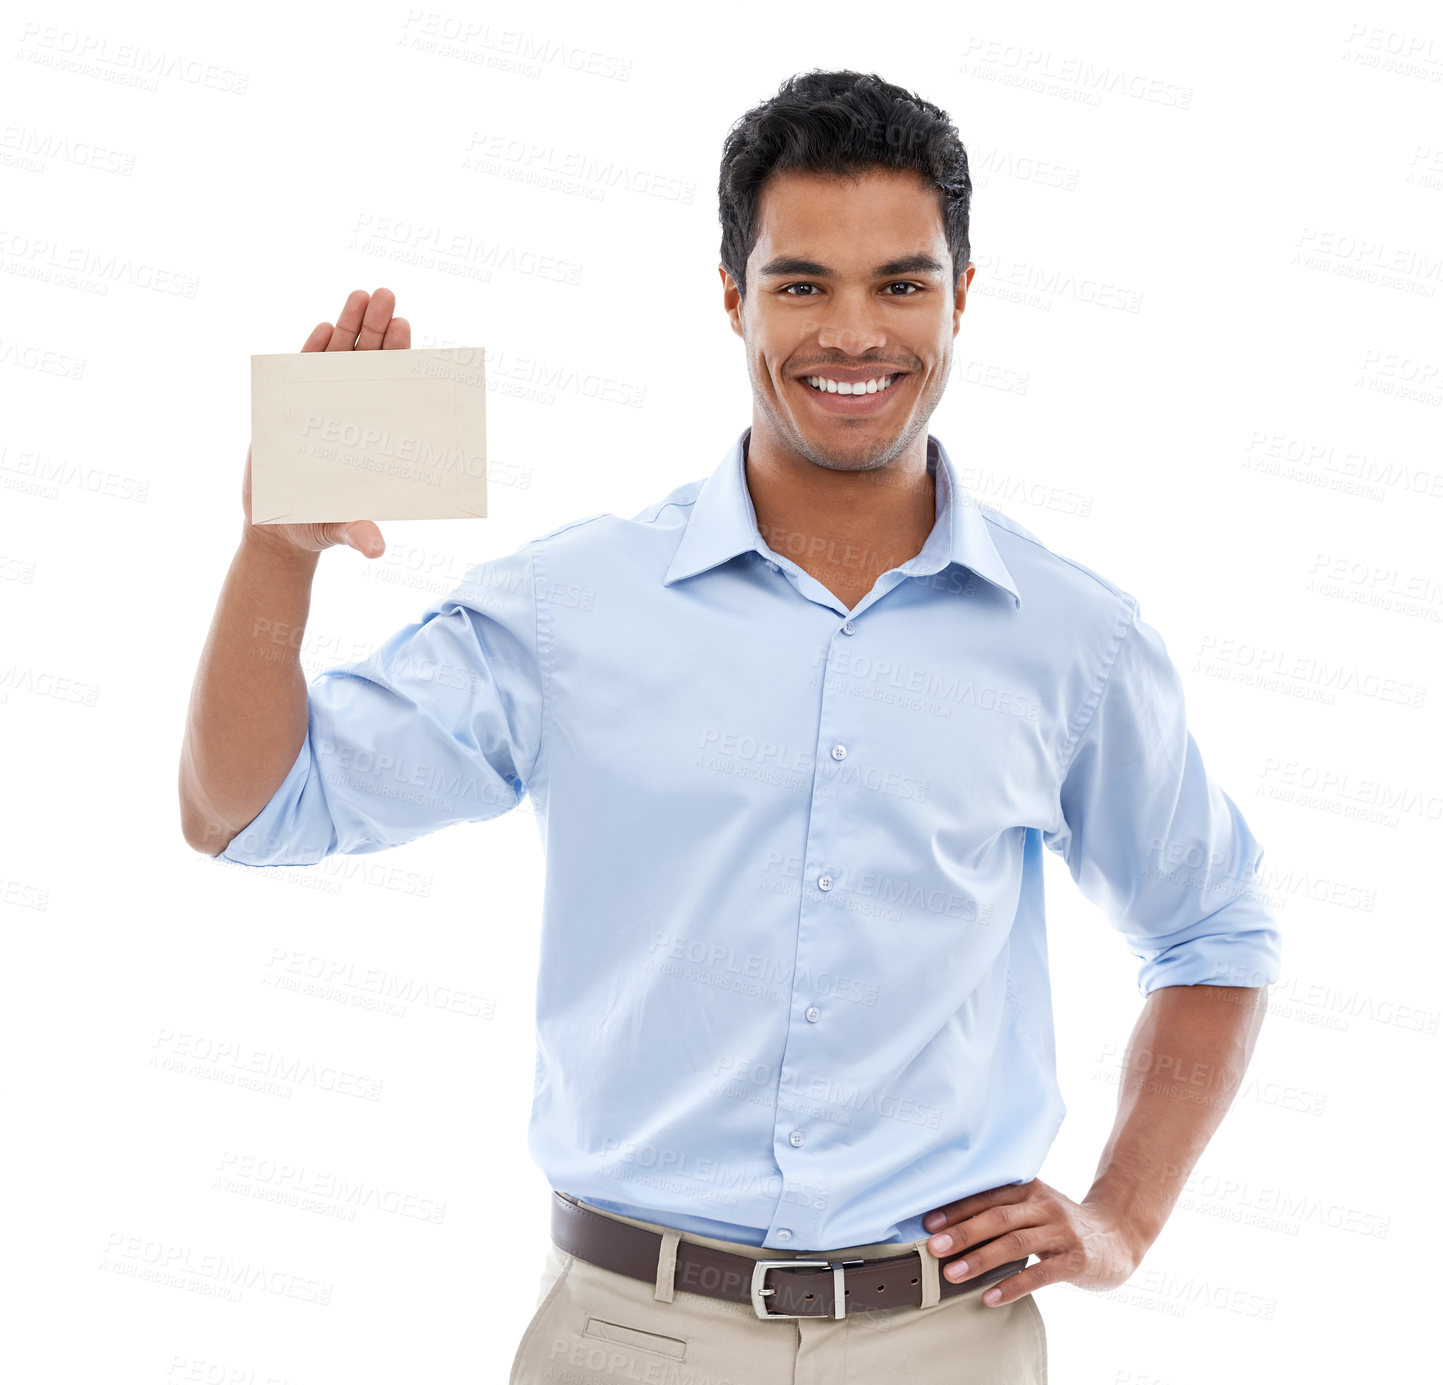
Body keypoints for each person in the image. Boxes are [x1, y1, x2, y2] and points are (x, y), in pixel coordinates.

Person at [179, 69, 1280, 1384]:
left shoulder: (1073, 639)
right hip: (624, 1334)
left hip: (947, 1340)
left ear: (963, 298)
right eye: (803, 283)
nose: (855, 333)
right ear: (732, 295)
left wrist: (1120, 1219)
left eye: (903, 283)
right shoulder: (570, 606)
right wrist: (277, 551)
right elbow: (242, 809)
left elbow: (1213, 933)